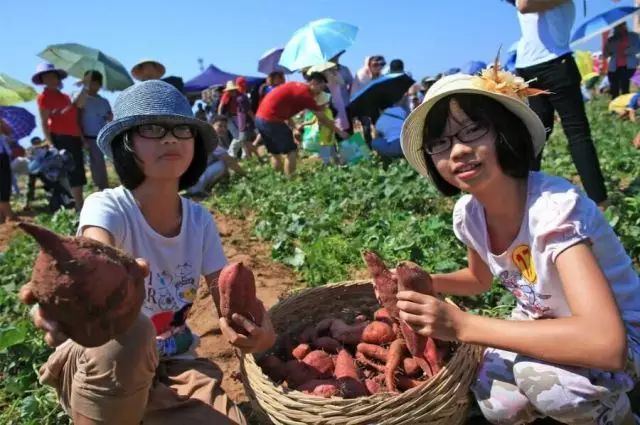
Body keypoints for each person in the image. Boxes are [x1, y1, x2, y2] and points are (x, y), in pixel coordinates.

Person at [19, 80, 275, 425]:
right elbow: (95, 253)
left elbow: (227, 296)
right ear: (126, 144)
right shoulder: (107, 206)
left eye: (181, 129)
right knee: (134, 330)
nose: (170, 138)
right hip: (105, 357)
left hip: (177, 366)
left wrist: (259, 331)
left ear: (194, 144)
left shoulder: (199, 220)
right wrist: (72, 298)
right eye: (152, 129)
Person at [399, 67, 640, 424]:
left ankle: (620, 416)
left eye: (473, 129)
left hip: (623, 337)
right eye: (441, 142)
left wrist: (463, 324)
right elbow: (478, 279)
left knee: (544, 383)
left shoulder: (553, 210)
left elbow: (606, 343)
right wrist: (423, 282)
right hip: (543, 322)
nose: (459, 150)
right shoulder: (470, 213)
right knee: (496, 400)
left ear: (505, 131)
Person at [509, 0, 608, 207]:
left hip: (530, 66)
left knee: (538, 134)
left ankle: (520, 199)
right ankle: (600, 203)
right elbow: (524, 5)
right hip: (554, 63)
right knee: (577, 134)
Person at [255, 73, 349, 175]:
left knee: (275, 154)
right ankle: (291, 181)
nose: (320, 92)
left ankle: (279, 179)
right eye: (321, 88)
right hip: (272, 120)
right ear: (313, 83)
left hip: (260, 118)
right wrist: (339, 132)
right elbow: (322, 118)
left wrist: (295, 127)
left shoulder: (295, 85)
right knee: (291, 151)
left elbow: (283, 110)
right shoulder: (305, 95)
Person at [33, 62, 86, 210]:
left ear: (58, 78)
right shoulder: (44, 97)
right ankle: (75, 205)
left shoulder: (66, 97)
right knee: (68, 172)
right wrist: (50, 143)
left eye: (52, 76)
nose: (50, 79)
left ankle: (79, 204)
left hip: (74, 137)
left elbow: (76, 114)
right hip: (60, 138)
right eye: (46, 77)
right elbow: (44, 122)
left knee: (78, 171)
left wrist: (84, 87)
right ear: (42, 80)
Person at [187, 116, 246, 197]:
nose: (223, 129)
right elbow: (229, 161)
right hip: (195, 183)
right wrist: (245, 175)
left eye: (225, 126)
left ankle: (206, 188)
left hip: (191, 180)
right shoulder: (210, 141)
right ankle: (203, 190)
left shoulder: (208, 137)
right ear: (211, 126)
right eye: (220, 126)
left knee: (222, 161)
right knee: (223, 163)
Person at [76, 70, 112, 191]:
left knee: (103, 163)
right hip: (88, 136)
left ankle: (105, 188)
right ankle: (99, 188)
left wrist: (109, 117)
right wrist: (82, 138)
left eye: (95, 83)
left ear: (100, 85)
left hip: (102, 136)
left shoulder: (104, 101)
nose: (92, 86)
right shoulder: (81, 99)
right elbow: (77, 118)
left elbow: (109, 116)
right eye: (89, 83)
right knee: (94, 165)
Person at [299, 92, 338, 166]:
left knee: (333, 152)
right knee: (325, 154)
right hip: (322, 137)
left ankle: (336, 164)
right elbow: (313, 121)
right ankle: (328, 166)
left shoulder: (328, 112)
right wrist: (303, 124)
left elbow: (330, 124)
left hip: (328, 136)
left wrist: (330, 134)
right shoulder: (319, 112)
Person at [604, 23, 640, 99]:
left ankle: (626, 107)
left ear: (625, 25)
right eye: (616, 26)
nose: (618, 28)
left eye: (621, 25)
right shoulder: (611, 39)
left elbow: (637, 49)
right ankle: (615, 108)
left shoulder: (634, 36)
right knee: (614, 90)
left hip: (628, 66)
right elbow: (606, 54)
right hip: (614, 68)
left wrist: (625, 51)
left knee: (625, 89)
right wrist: (604, 39)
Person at [0, 118, 16, 222]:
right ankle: (9, 216)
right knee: (2, 186)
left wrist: (1, 122)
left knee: (5, 184)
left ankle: (3, 218)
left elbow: (10, 132)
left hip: (3, 155)